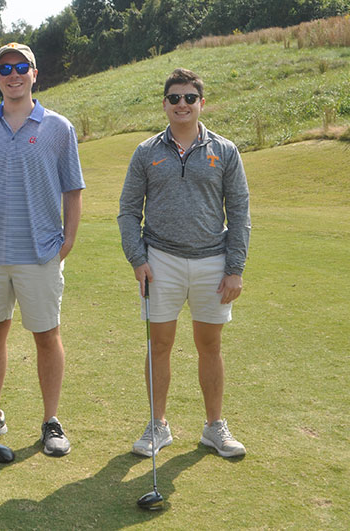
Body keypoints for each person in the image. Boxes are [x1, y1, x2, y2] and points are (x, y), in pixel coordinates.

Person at [0, 43, 84, 457]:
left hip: (40, 251)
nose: (13, 75)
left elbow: (73, 190)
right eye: (5, 68)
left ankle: (51, 421)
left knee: (47, 335)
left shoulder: (58, 127)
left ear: (34, 73)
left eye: (21, 67)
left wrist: (67, 241)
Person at [118, 68, 250, 458]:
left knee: (210, 345)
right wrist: (137, 259)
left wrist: (235, 268)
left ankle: (214, 427)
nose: (182, 104)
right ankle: (157, 425)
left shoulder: (225, 151)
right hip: (160, 261)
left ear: (201, 103)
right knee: (159, 344)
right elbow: (128, 211)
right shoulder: (146, 152)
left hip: (212, 263)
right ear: (165, 104)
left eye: (190, 98)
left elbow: (239, 212)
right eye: (175, 98)